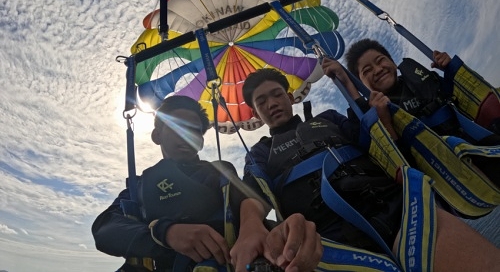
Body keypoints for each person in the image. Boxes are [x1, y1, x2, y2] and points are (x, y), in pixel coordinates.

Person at [230, 68, 500, 271]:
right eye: (261, 101)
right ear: (255, 114)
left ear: (289, 97)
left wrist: (346, 81)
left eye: (277, 94)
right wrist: (250, 228)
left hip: (396, 206)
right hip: (329, 242)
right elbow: (254, 190)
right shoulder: (259, 153)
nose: (271, 104)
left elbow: (372, 137)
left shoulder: (328, 118)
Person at [92, 95, 323, 272]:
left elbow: (247, 200)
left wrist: (266, 232)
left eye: (194, 131)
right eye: (177, 127)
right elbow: (105, 228)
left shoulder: (221, 172)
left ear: (201, 142)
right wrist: (167, 233)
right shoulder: (139, 186)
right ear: (156, 135)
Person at [329, 38, 500, 186]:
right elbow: (398, 163)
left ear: (393, 63)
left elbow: (460, 99)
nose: (378, 69)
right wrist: (385, 121)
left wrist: (450, 71)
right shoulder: (372, 115)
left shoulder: (423, 79)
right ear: (361, 83)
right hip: (446, 179)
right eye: (367, 71)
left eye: (380, 61)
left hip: (478, 148)